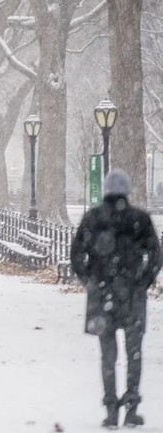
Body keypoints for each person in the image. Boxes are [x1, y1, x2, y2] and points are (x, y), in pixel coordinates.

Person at [70, 170, 161, 427]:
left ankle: (111, 409)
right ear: (126, 191)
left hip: (102, 294)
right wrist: (143, 281)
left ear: (106, 191)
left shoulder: (93, 218)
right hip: (131, 293)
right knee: (134, 353)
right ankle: (131, 406)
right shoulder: (139, 219)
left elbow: (77, 254)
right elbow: (155, 254)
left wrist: (89, 280)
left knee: (107, 355)